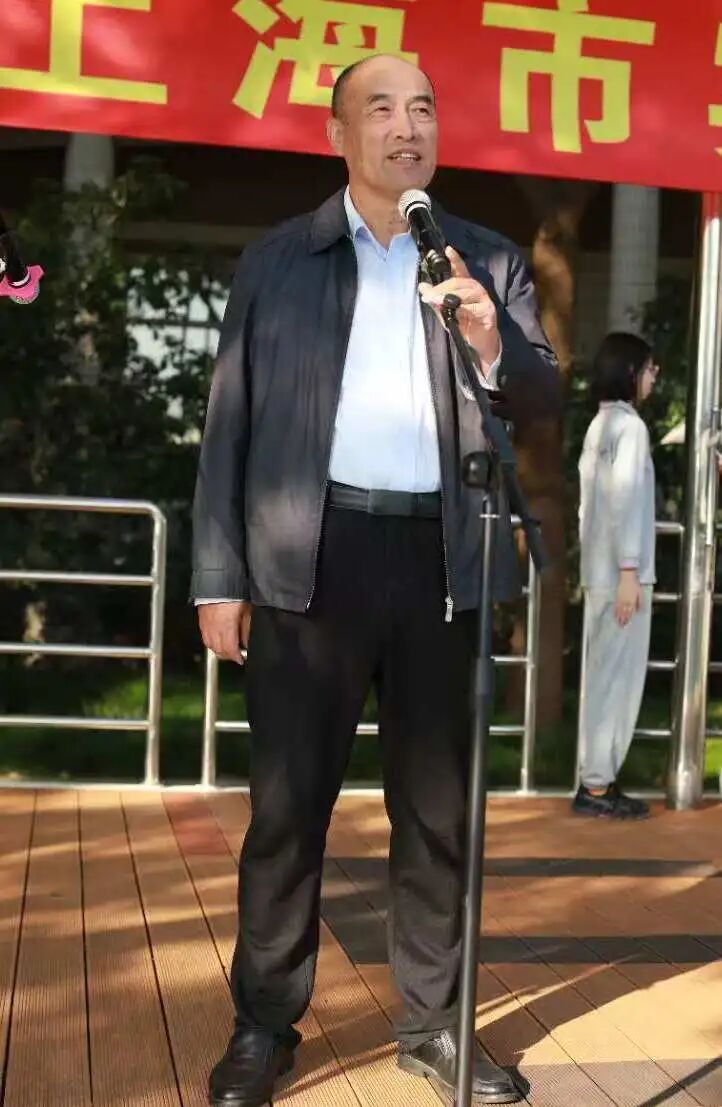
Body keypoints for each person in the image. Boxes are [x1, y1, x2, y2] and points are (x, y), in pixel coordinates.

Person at [192, 53, 559, 1107]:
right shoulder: (279, 260)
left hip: (443, 561)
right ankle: (264, 1024)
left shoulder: (485, 259)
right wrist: (218, 575)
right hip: (309, 559)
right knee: (286, 810)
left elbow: (538, 399)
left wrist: (489, 338)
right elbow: (229, 424)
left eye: (423, 109)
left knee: (438, 816)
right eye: (383, 109)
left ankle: (434, 1026)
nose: (408, 128)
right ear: (339, 135)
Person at [574, 332, 659, 819]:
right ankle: (597, 785)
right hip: (623, 576)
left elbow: (593, 508)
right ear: (630, 372)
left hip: (600, 574)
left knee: (601, 680)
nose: (653, 376)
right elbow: (626, 500)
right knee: (617, 683)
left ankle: (596, 780)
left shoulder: (599, 425)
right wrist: (630, 569)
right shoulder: (631, 428)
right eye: (649, 368)